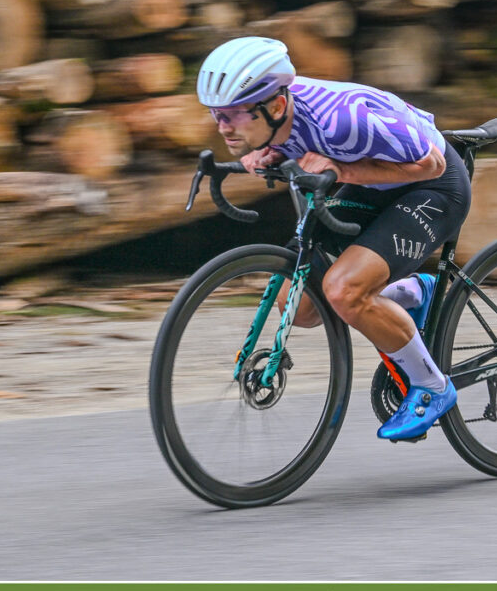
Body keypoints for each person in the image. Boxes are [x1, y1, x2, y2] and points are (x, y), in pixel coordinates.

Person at [196, 37, 471, 442]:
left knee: (344, 291)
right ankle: (411, 294)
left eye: (234, 114)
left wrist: (343, 171)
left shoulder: (343, 120)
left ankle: (431, 385)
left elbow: (432, 163)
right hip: (374, 183)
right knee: (301, 305)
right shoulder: (276, 115)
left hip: (433, 186)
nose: (223, 126)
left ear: (276, 106)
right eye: (216, 114)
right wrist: (273, 151)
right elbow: (298, 140)